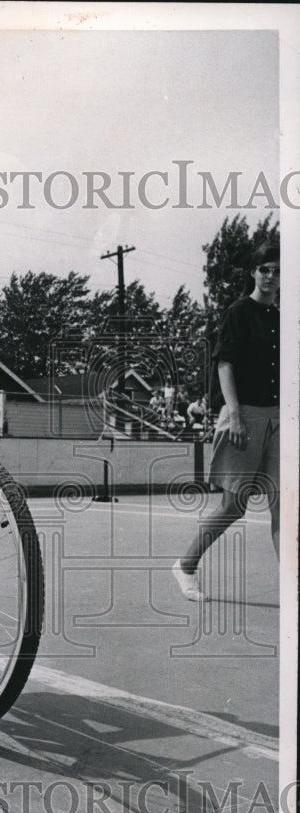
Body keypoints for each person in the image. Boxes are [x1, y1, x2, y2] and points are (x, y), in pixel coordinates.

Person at [173, 242, 280, 600]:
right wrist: (234, 415)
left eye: (277, 270)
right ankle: (185, 566)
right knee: (234, 506)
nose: (270, 276)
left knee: (283, 505)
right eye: (264, 268)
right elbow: (224, 365)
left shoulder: (282, 317)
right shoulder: (238, 311)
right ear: (253, 272)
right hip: (243, 416)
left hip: (278, 418)